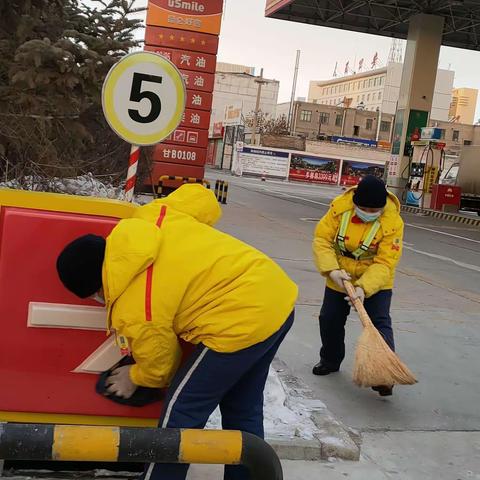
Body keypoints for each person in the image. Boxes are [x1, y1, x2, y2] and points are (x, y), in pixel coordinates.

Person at [56, 183, 297, 480]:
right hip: (276, 295)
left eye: (95, 296)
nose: (100, 301)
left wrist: (133, 377)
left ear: (98, 285)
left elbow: (161, 366)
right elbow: (200, 198)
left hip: (238, 320)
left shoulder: (134, 303)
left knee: (181, 412)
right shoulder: (154, 216)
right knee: (242, 407)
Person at [311, 175, 404, 397]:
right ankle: (330, 360)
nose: (369, 213)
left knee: (379, 323)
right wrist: (331, 270)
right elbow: (322, 240)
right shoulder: (338, 210)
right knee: (330, 319)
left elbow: (385, 261)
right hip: (339, 275)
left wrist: (364, 288)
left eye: (374, 210)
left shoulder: (393, 221)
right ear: (355, 203)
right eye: (364, 209)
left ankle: (384, 375)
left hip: (376, 281)